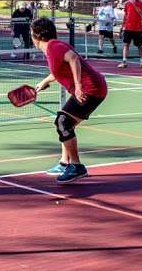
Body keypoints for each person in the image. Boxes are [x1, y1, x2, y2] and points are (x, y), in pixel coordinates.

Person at [31, 17, 108, 184]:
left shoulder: (54, 46)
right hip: (94, 87)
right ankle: (64, 163)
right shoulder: (53, 48)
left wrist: (79, 86)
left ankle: (76, 166)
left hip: (91, 89)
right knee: (66, 124)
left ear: (35, 35)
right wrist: (45, 81)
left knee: (63, 122)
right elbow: (62, 67)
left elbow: (73, 59)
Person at [118, 0, 142, 69]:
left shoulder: (141, 3)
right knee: (125, 45)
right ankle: (124, 62)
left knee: (139, 45)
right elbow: (125, 15)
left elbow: (141, 13)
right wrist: (122, 26)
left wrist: (134, 4)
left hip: (137, 28)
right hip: (128, 27)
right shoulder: (127, 4)